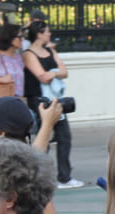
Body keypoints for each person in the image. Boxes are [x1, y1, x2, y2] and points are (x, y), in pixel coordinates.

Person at [23, 20, 82, 189]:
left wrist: (53, 73)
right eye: (47, 31)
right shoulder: (28, 54)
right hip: (39, 101)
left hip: (55, 100)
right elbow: (42, 76)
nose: (49, 34)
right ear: (39, 34)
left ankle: (64, 176)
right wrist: (55, 72)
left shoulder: (49, 50)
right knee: (44, 138)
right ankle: (39, 177)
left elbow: (64, 71)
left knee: (65, 136)